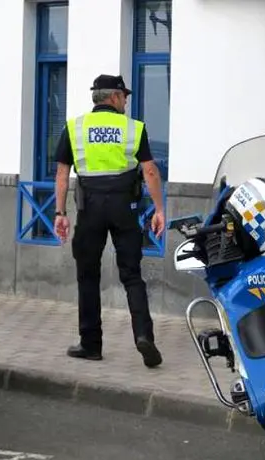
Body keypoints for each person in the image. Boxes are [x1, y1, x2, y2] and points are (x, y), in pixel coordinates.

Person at [51, 74, 165, 368]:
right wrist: (159, 209)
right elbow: (150, 171)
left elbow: (62, 173)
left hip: (89, 209)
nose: (126, 100)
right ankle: (144, 336)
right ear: (113, 97)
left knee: (87, 276)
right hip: (124, 207)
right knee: (132, 274)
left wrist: (60, 213)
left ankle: (91, 345)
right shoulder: (133, 128)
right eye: (123, 95)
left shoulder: (75, 128)